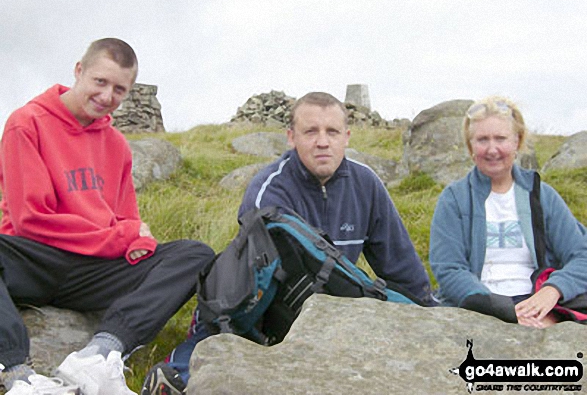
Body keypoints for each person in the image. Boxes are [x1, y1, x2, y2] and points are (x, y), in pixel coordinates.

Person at [141, 91, 433, 395]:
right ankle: (174, 376)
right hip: (253, 302)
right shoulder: (268, 190)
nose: (323, 142)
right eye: (311, 131)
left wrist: (431, 315)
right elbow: (261, 279)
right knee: (222, 349)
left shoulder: (366, 183)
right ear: (291, 137)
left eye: (332, 132)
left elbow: (402, 267)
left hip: (325, 306)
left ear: (346, 137)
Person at [0, 38, 214, 395]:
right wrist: (121, 237)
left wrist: (132, 241)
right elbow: (31, 220)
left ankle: (100, 355)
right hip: (36, 259)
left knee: (195, 254)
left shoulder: (116, 145)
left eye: (119, 89)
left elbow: (130, 225)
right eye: (100, 82)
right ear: (79, 70)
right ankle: (19, 374)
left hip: (94, 269)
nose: (107, 95)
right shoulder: (27, 123)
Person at [429, 96, 587, 328]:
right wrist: (499, 309)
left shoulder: (542, 196)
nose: (492, 149)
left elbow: (581, 255)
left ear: (517, 141)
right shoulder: (454, 199)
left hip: (537, 303)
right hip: (476, 305)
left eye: (500, 138)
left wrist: (553, 290)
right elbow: (448, 268)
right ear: (471, 146)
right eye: (482, 140)